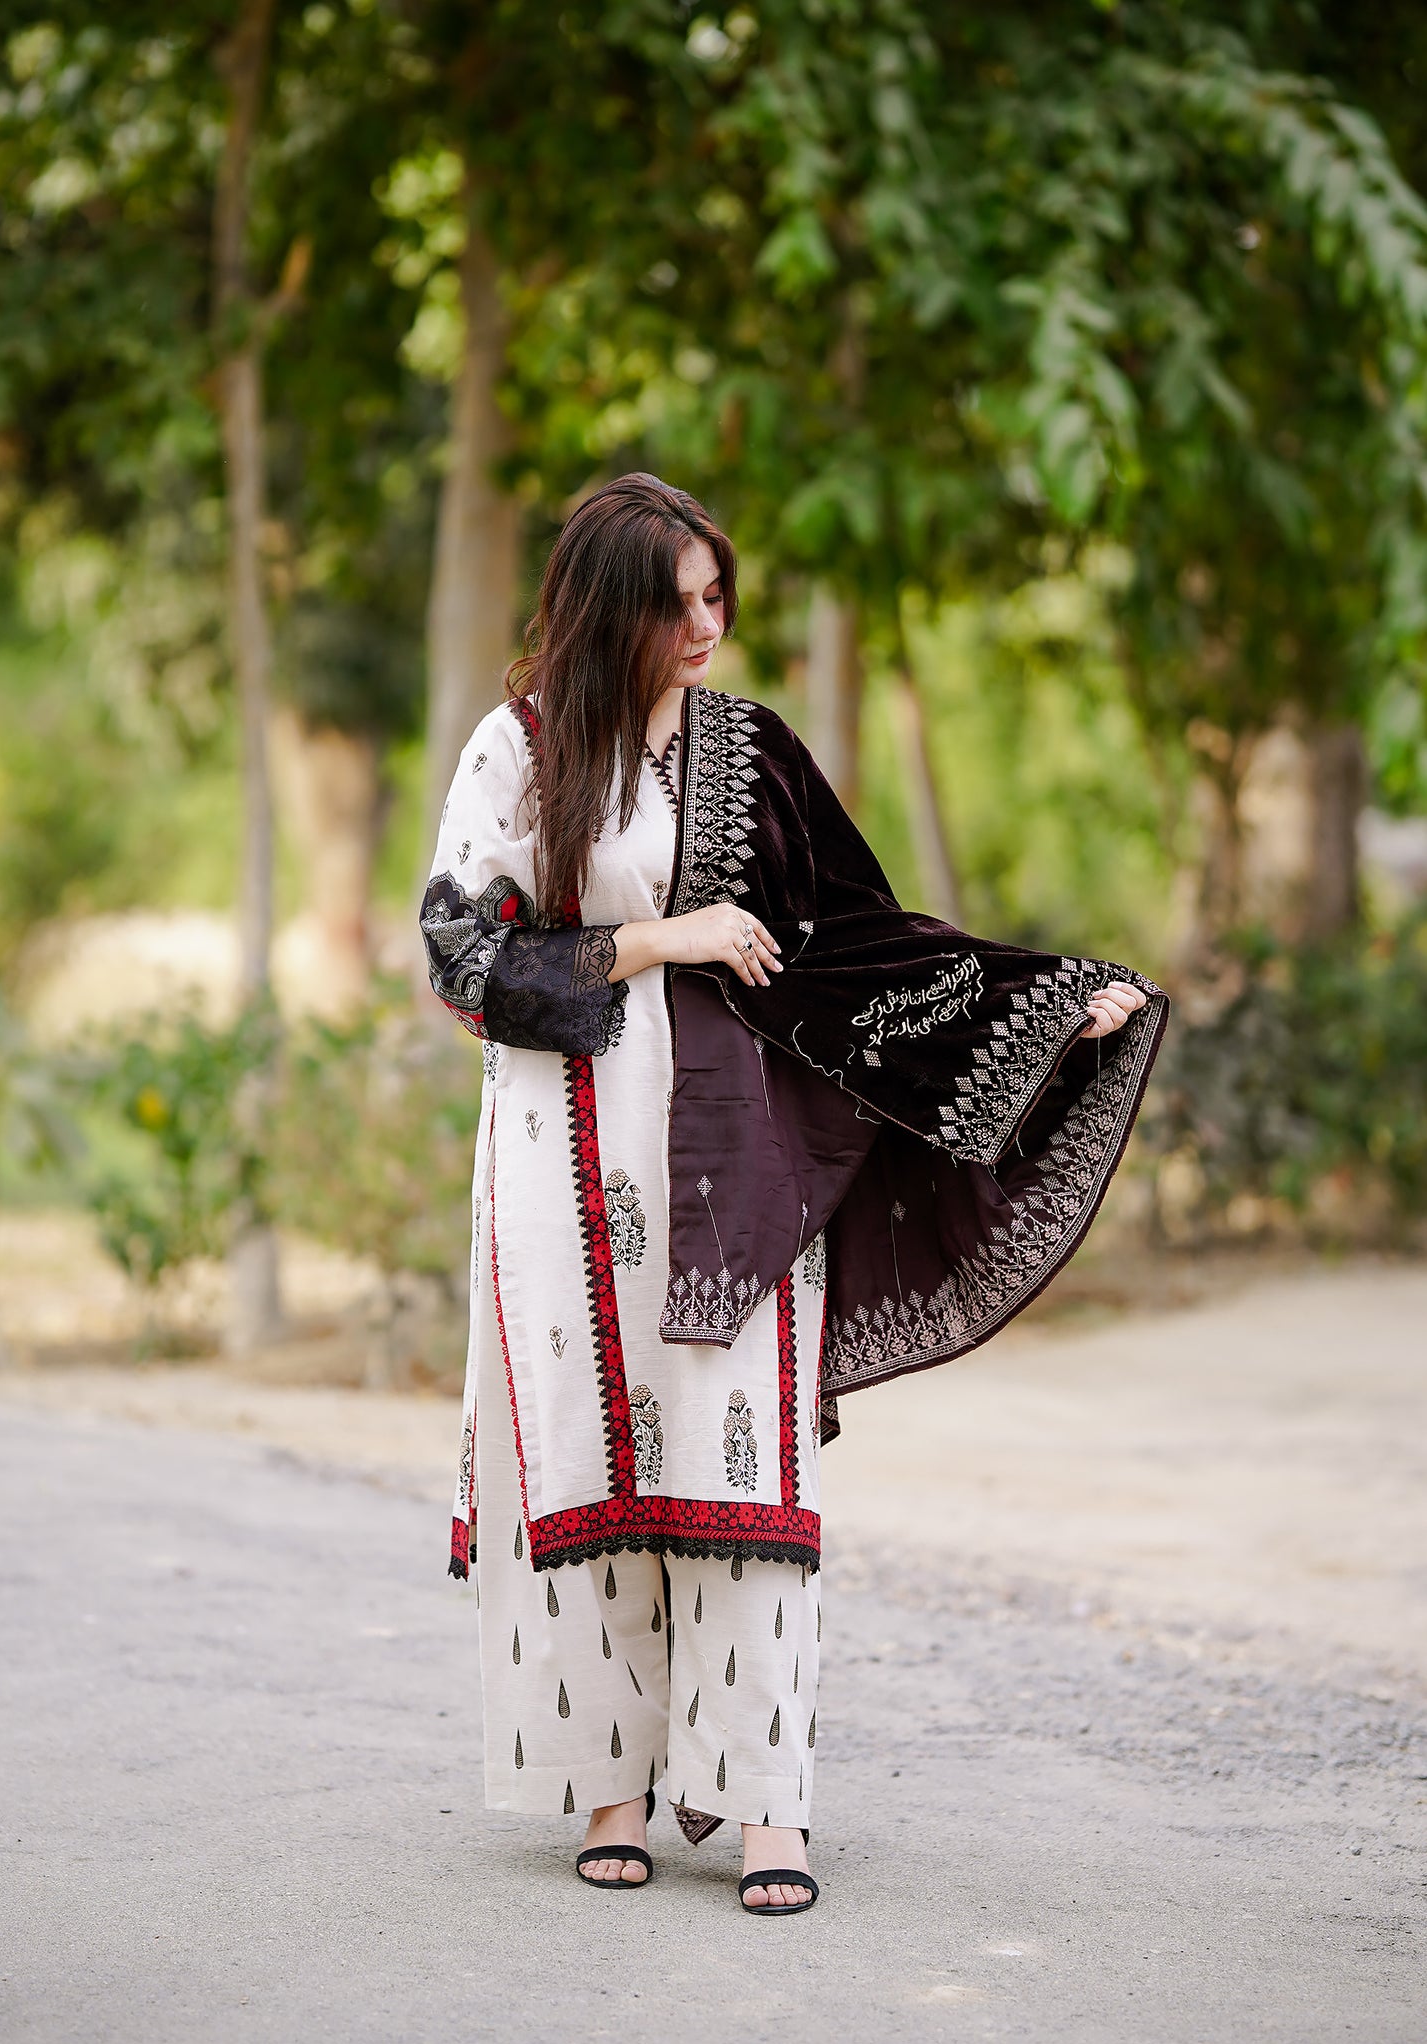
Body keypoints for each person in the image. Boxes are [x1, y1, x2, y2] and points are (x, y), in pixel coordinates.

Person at [420, 473, 1164, 1916]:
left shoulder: (751, 752)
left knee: (742, 1462)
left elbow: (856, 943)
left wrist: (1044, 1002)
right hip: (556, 1171)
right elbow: (459, 955)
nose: (707, 627)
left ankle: (770, 1810)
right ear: (607, 608)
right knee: (591, 1459)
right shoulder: (514, 752)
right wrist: (656, 940)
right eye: (677, 601)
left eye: (719, 597)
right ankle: (611, 1795)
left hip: (739, 1167)